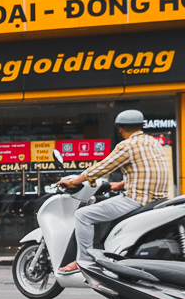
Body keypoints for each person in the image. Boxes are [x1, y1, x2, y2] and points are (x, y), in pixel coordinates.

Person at [57, 109, 172, 272]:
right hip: (159, 200)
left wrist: (73, 182)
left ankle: (83, 262)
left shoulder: (127, 145)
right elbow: (146, 171)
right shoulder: (153, 142)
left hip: (137, 200)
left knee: (83, 215)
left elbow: (102, 167)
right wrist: (119, 185)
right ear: (142, 126)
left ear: (120, 129)